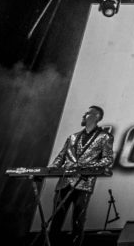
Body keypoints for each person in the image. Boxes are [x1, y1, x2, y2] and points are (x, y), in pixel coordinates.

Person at [47, 105, 114, 246]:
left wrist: (86, 166)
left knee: (78, 220)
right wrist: (53, 167)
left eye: (87, 113)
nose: (84, 115)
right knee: (56, 218)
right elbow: (61, 157)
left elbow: (107, 159)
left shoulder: (105, 137)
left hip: (84, 183)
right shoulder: (72, 137)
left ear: (96, 117)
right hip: (65, 181)